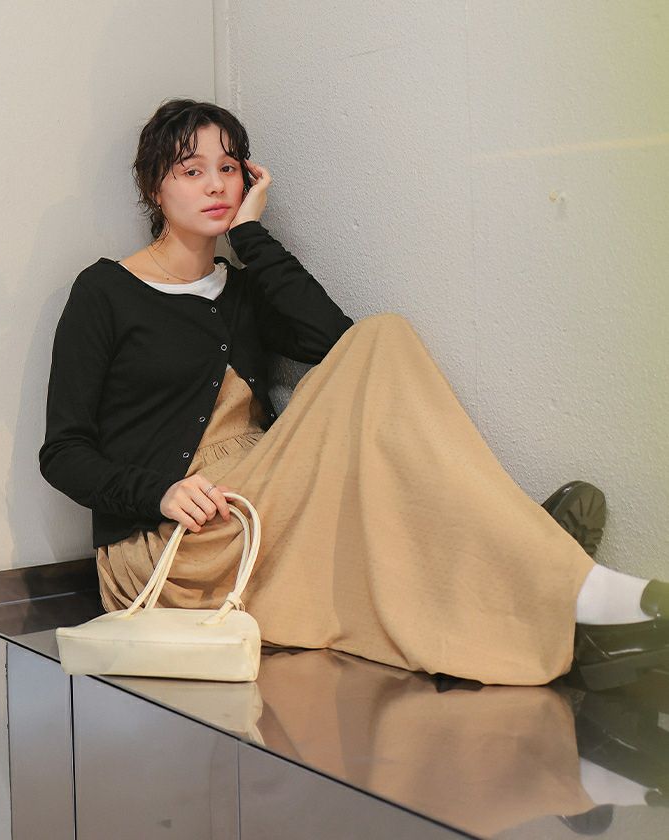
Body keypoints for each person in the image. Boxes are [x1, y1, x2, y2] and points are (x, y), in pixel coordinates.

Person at [39, 98, 669, 688]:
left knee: (382, 341)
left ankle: (542, 577)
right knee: (382, 460)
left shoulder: (242, 289)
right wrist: (161, 492)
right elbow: (63, 452)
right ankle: (549, 571)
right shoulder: (104, 292)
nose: (215, 185)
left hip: (265, 494)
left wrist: (251, 234)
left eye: (228, 168)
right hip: (181, 539)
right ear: (155, 187)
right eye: (191, 170)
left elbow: (339, 344)